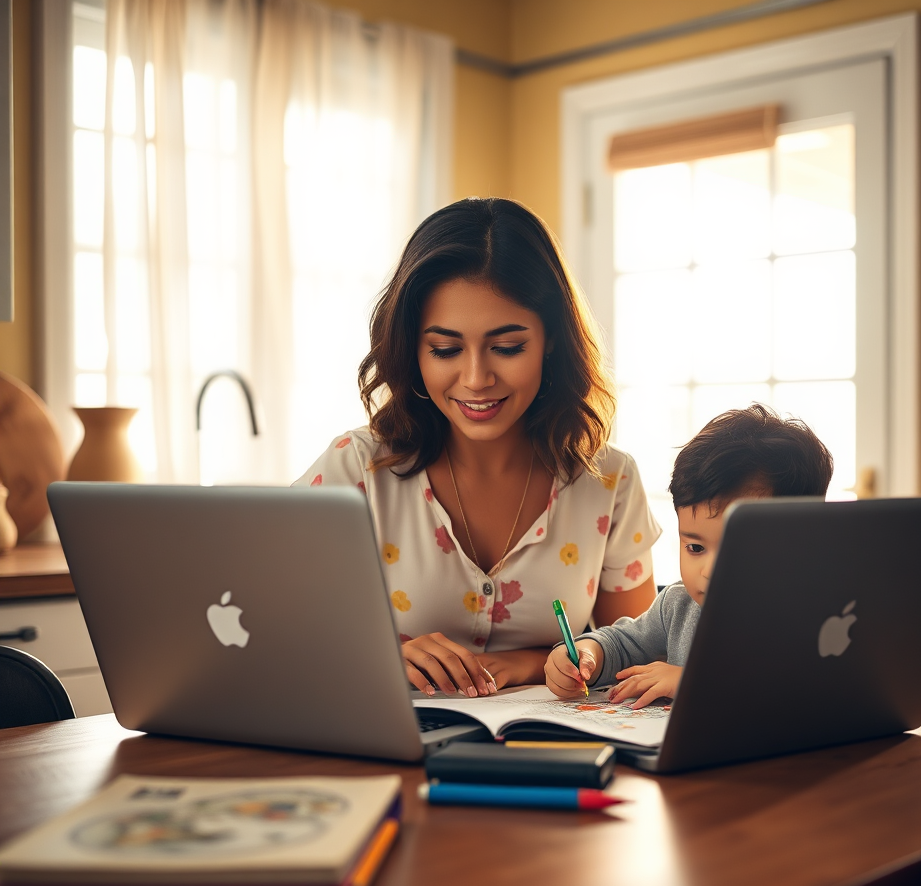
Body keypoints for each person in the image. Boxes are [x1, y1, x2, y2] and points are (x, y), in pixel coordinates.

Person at [295, 198, 660, 698]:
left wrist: (523, 664)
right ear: (412, 347)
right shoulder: (356, 470)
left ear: (551, 339)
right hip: (388, 752)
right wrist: (378, 657)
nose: (475, 379)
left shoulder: (610, 482)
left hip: (549, 754)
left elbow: (638, 655)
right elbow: (276, 632)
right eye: (444, 350)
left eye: (507, 347)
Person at [544, 404, 834, 708]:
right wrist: (587, 653)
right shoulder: (678, 607)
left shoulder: (812, 614)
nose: (708, 570)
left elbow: (794, 683)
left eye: (736, 548)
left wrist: (691, 680)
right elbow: (624, 643)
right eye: (695, 548)